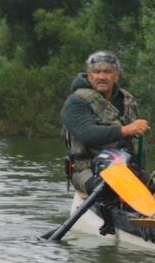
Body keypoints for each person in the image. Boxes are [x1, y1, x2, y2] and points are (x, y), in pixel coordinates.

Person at [61, 51, 150, 194]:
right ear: (89, 75)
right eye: (96, 72)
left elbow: (137, 142)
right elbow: (86, 133)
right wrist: (126, 130)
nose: (101, 77)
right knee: (105, 191)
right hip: (85, 169)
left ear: (117, 76)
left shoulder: (127, 99)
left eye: (107, 72)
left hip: (125, 166)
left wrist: (142, 169)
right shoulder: (75, 102)